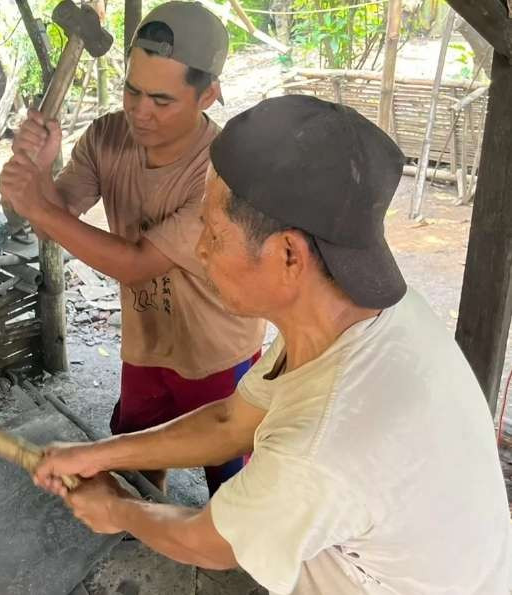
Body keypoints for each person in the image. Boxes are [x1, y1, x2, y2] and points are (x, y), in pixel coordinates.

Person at [33, 95, 512, 593]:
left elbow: (208, 543)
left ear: (289, 255)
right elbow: (231, 421)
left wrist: (116, 510)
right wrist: (100, 456)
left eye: (214, 234)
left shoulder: (322, 442)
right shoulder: (368, 315)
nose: (198, 249)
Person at [0, 1, 265, 495]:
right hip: (146, 344)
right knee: (135, 468)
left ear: (207, 94)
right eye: (132, 90)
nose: (140, 112)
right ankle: (139, 536)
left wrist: (40, 207)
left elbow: (139, 265)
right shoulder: (107, 137)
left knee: (232, 489)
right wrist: (34, 169)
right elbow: (44, 218)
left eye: (162, 101)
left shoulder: (222, 168)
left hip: (218, 352)